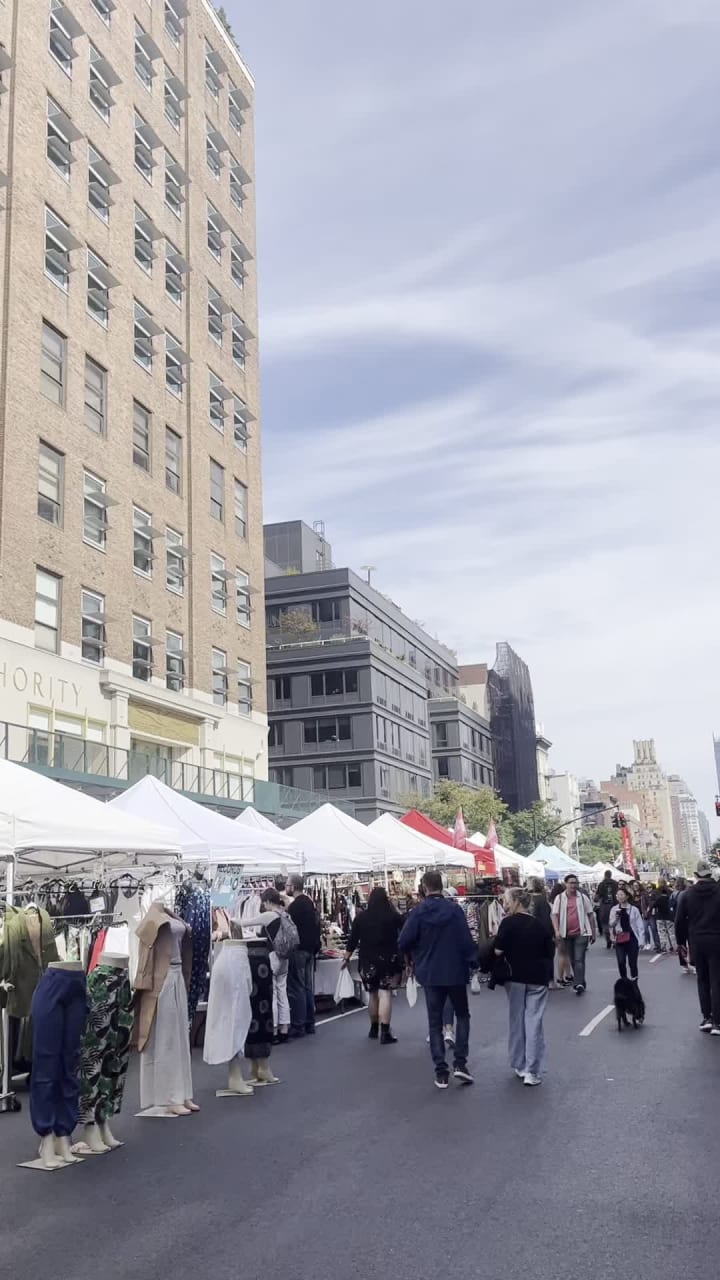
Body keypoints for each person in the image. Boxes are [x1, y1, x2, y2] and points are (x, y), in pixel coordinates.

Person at [398, 870, 477, 1089]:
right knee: (462, 1015)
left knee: (434, 1023)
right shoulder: (454, 910)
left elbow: (403, 941)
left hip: (430, 973)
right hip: (455, 971)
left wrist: (416, 954)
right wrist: (473, 962)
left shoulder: (418, 912)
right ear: (441, 886)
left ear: (424, 887)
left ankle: (441, 1071)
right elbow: (465, 939)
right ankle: (460, 1063)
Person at [494, 888, 555, 1086]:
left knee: (516, 1022)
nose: (505, 904)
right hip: (537, 978)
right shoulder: (538, 925)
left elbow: (497, 950)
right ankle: (532, 1071)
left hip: (514, 978)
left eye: (507, 900)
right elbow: (549, 950)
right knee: (534, 1023)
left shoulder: (507, 923)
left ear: (517, 901)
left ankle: (519, 1064)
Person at [344, 887, 403, 1044]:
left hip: (367, 960)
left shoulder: (361, 917)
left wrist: (346, 958)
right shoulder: (391, 916)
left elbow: (352, 940)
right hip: (387, 959)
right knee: (385, 993)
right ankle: (385, 1032)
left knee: (372, 994)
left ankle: (373, 1028)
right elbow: (405, 925)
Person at [675, 862, 720, 1033]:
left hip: (697, 941)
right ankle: (718, 1021)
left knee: (702, 979)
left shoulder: (687, 894)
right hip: (717, 939)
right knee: (717, 980)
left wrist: (681, 943)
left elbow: (679, 921)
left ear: (696, 875)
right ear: (710, 874)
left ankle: (706, 1017)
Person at [286, 874, 322, 1039]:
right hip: (310, 950)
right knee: (307, 987)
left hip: (298, 949)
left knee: (297, 987)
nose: (286, 887)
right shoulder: (309, 903)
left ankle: (298, 1024)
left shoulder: (294, 908)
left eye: (287, 884)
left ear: (293, 886)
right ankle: (310, 1022)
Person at [551, 873, 596, 995]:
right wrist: (556, 930)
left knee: (579, 958)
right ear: (565, 884)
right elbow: (554, 915)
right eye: (571, 883)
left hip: (581, 932)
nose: (573, 885)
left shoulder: (582, 897)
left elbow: (590, 914)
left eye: (575, 883)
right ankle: (580, 980)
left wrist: (593, 931)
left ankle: (578, 983)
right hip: (565, 933)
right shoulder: (559, 898)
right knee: (572, 959)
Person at [259, 887, 292, 1044]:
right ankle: (284, 1030)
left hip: (272, 956)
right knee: (282, 993)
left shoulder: (269, 915)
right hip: (285, 956)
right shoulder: (285, 914)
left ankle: (273, 1030)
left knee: (272, 994)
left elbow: (258, 932)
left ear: (266, 901)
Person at [608, 885, 644, 980]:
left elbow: (640, 926)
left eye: (621, 894)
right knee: (621, 961)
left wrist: (641, 940)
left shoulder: (634, 909)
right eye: (617, 895)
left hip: (632, 938)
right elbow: (611, 925)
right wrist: (616, 919)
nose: (619, 897)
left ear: (627, 896)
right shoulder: (614, 909)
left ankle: (634, 981)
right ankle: (624, 980)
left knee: (632, 963)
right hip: (620, 938)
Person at [593, 871, 618, 949]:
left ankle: (608, 940)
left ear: (605, 875)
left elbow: (596, 897)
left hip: (604, 906)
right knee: (615, 923)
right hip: (614, 905)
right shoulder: (616, 883)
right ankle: (614, 940)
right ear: (611, 875)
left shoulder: (601, 884)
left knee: (605, 924)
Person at [653, 880, 676, 954]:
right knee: (671, 933)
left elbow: (653, 905)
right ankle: (674, 947)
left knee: (662, 933)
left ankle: (664, 948)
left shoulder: (657, 895)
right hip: (669, 917)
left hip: (660, 917)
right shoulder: (670, 893)